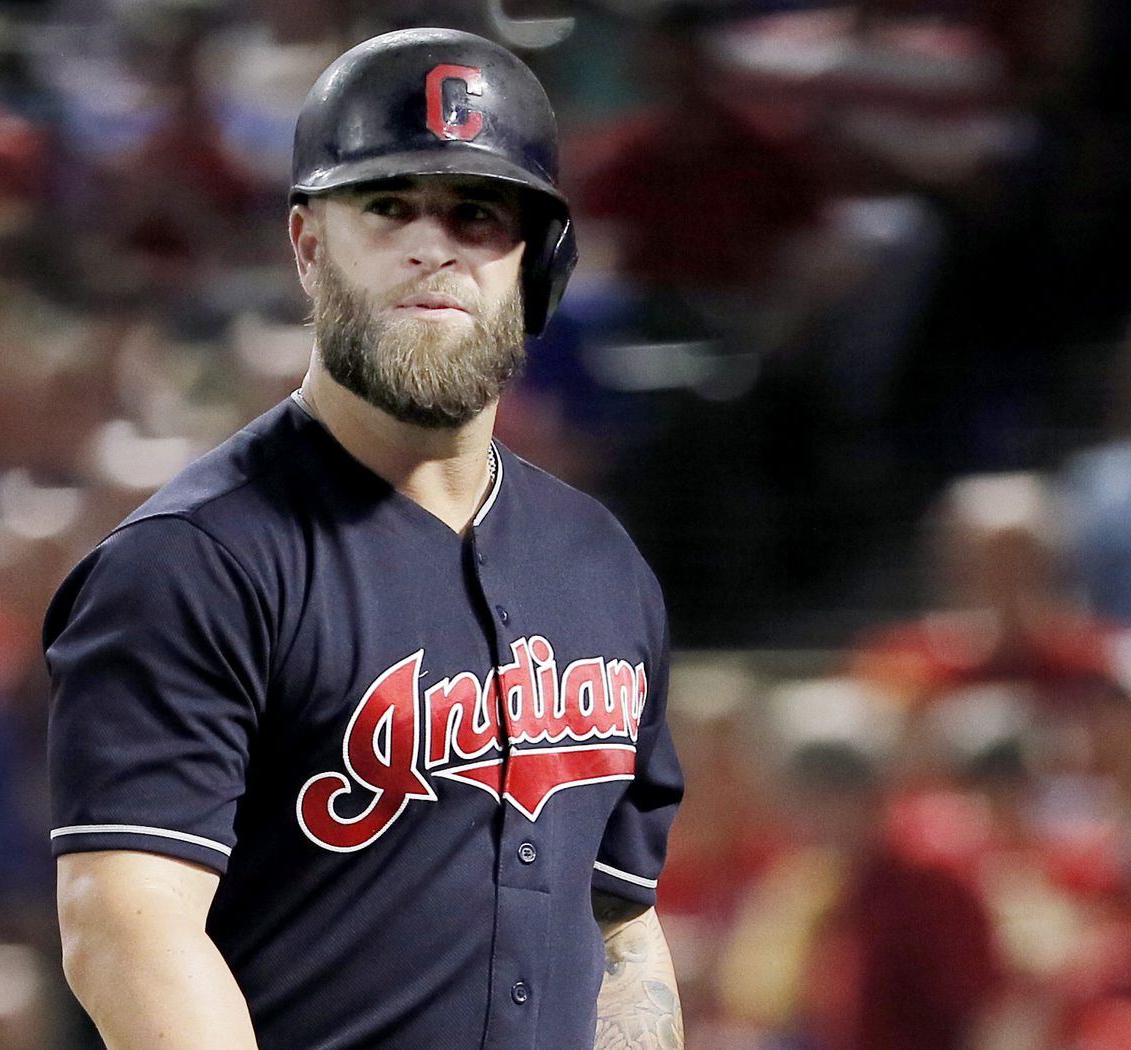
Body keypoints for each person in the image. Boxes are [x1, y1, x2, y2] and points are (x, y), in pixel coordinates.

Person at [44, 28, 685, 1050]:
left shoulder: (599, 563)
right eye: (388, 207)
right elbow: (128, 928)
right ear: (307, 246)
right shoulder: (193, 564)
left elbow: (618, 925)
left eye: (476, 213)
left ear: (535, 261)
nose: (433, 245)